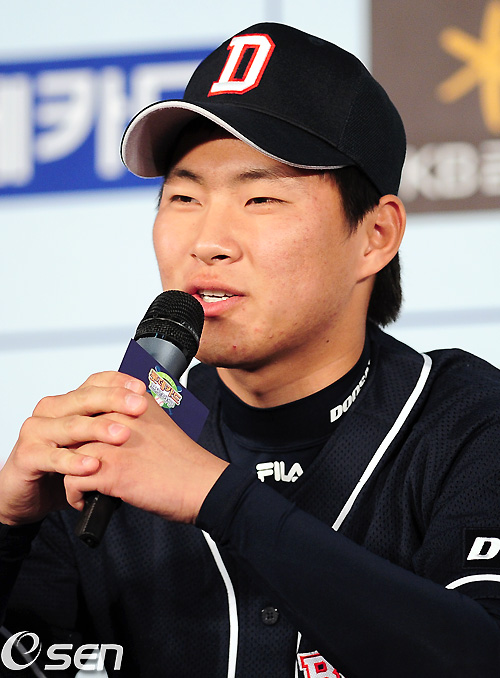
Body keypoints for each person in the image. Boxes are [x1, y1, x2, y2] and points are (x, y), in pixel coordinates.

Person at [1, 21, 500, 678]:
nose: (207, 241)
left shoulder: (467, 422)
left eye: (260, 197)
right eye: (183, 196)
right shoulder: (112, 446)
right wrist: (6, 530)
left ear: (376, 235)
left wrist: (220, 499)